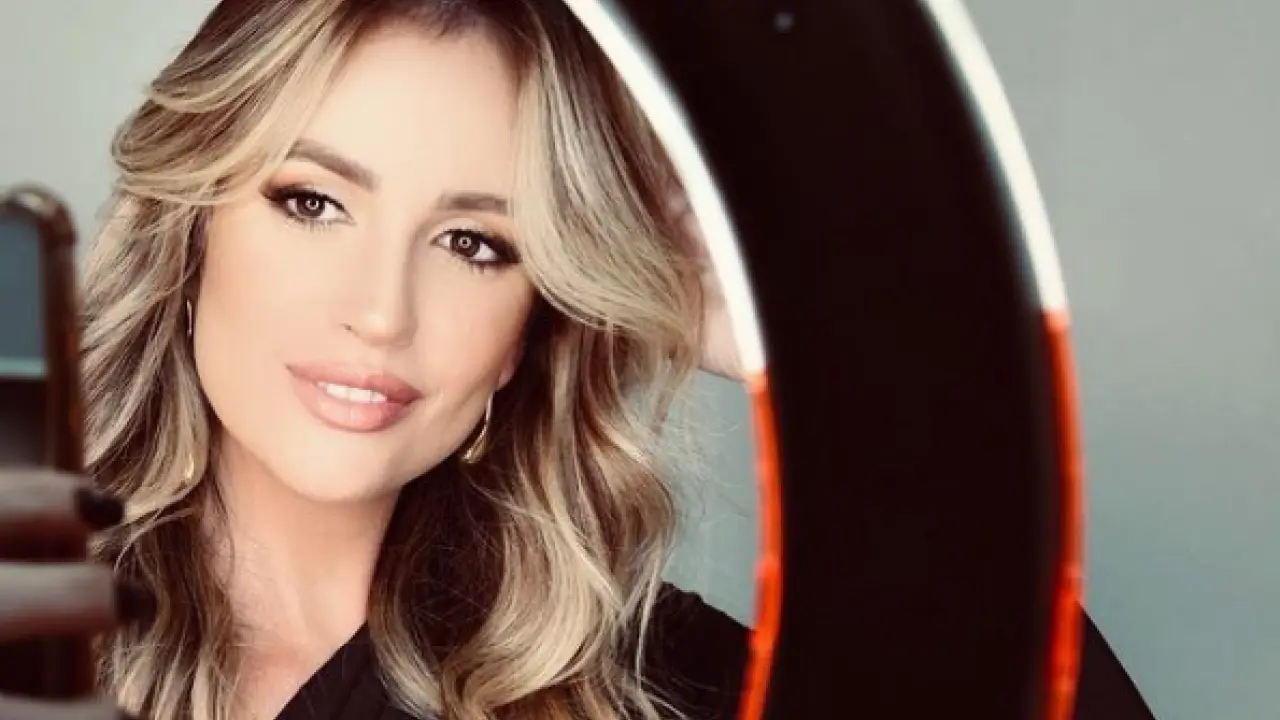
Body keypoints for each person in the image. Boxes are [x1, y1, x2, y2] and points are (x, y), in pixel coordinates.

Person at [0, 1, 1156, 719]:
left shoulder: (659, 684)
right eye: (312, 202)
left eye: (474, 243)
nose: (381, 313)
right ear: (194, 226)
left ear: (532, 321)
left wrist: (807, 355)